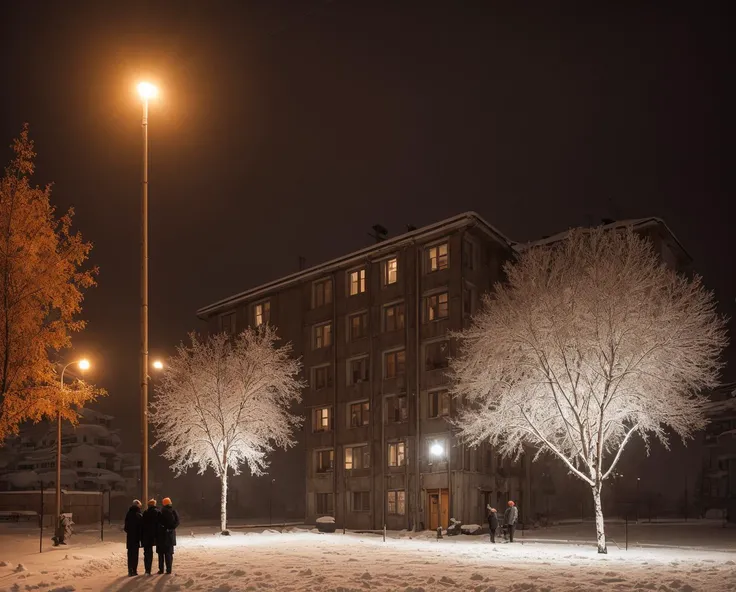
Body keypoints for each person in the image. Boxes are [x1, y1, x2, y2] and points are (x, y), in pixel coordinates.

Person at [157, 497, 180, 575]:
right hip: (170, 536)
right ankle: (169, 569)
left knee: (161, 554)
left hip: (161, 535)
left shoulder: (161, 512)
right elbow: (177, 522)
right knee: (169, 553)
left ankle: (161, 569)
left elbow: (158, 523)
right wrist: (171, 529)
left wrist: (163, 528)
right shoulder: (173, 511)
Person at [140, 499, 160, 575]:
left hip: (146, 535)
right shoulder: (157, 512)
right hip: (155, 535)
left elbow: (142, 524)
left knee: (147, 553)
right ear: (154, 505)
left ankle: (147, 570)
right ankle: (161, 569)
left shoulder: (145, 513)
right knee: (160, 552)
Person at [124, 500, 143, 576]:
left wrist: (129, 532)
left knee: (130, 554)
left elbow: (126, 527)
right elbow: (141, 527)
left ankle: (129, 570)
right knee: (135, 554)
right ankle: (134, 570)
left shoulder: (128, 514)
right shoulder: (139, 514)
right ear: (138, 506)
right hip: (136, 538)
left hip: (130, 537)